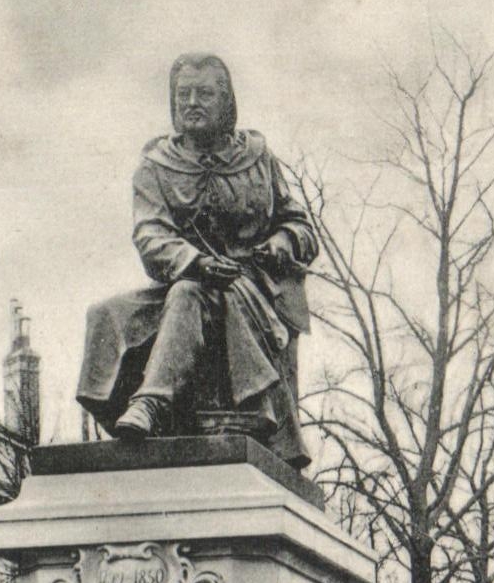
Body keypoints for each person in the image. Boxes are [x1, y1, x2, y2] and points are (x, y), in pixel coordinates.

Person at [76, 53, 318, 469]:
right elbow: (150, 235)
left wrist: (281, 241)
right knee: (106, 314)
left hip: (251, 290)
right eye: (183, 94)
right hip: (182, 283)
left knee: (190, 292)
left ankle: (150, 406)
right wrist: (193, 261)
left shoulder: (258, 158)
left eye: (203, 93)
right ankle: (149, 406)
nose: (191, 102)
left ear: (225, 102)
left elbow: (301, 226)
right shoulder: (156, 167)